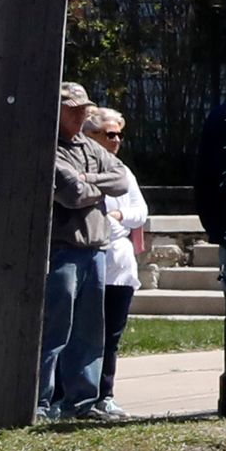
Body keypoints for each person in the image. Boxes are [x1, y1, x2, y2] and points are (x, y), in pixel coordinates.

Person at [43, 82, 134, 421]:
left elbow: (122, 180)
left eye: (84, 108)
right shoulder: (49, 146)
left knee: (89, 332)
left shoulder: (89, 147)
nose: (81, 114)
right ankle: (40, 403)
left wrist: (88, 180)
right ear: (59, 110)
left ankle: (82, 403)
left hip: (95, 249)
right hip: (61, 249)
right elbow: (71, 194)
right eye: (74, 108)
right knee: (54, 330)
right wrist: (96, 186)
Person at [88, 105, 151, 405]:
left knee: (111, 336)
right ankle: (76, 394)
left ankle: (105, 393)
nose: (116, 141)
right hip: (91, 260)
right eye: (110, 134)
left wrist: (119, 214)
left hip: (120, 265)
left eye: (119, 135)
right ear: (91, 135)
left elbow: (140, 212)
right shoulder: (85, 168)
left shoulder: (122, 171)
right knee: (85, 334)